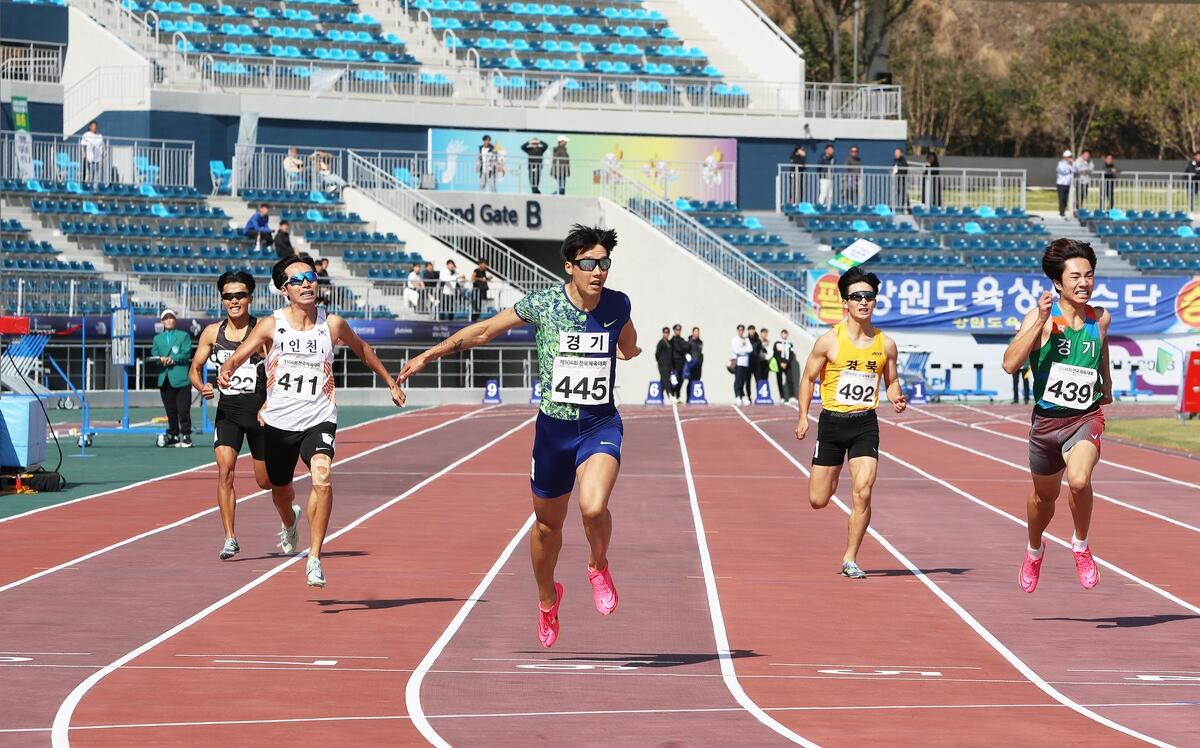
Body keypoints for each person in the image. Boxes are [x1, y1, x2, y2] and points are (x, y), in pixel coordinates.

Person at [398, 224, 640, 648]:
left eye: (603, 263)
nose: (598, 271)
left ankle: (597, 565)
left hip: (599, 423)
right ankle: (548, 599)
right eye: (588, 264)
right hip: (553, 431)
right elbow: (484, 331)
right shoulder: (543, 304)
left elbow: (627, 338)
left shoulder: (618, 303)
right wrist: (428, 354)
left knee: (593, 505)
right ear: (570, 267)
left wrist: (628, 350)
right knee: (547, 527)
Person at [217, 256, 405, 587]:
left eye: (310, 276)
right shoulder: (271, 325)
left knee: (322, 476)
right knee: (279, 491)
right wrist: (227, 368)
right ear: (283, 289)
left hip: (319, 416)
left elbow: (363, 350)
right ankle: (289, 523)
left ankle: (314, 556)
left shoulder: (332, 324)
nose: (306, 283)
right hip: (278, 423)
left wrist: (390, 381)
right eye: (298, 279)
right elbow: (238, 355)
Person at [1002, 238, 1112, 594]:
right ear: (1058, 282)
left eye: (1090, 275)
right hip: (1047, 424)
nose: (1084, 282)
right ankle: (1035, 549)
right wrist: (1040, 322)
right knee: (1043, 499)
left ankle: (1080, 544)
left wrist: (1106, 384)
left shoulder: (1100, 317)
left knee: (1079, 480)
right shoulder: (1041, 317)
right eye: (1076, 276)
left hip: (1085, 416)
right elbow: (1009, 364)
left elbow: (1102, 353)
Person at [794, 267, 907, 579]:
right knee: (818, 499)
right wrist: (803, 416)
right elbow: (807, 379)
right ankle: (829, 480)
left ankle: (850, 558)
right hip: (831, 423)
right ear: (845, 302)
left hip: (864, 424)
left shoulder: (885, 344)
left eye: (868, 296)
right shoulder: (828, 341)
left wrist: (897, 396)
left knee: (863, 491)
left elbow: (892, 381)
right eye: (856, 296)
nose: (863, 301)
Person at [188, 271, 273, 560]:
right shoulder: (212, 333)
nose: (234, 301)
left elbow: (278, 369)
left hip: (260, 413)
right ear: (222, 299)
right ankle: (230, 538)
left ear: (250, 297)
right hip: (229, 412)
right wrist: (202, 386)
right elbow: (194, 368)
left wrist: (268, 404)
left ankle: (288, 511)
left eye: (240, 295)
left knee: (266, 482)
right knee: (225, 470)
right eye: (228, 296)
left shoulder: (262, 329)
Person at [152, 309, 194, 448]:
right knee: (170, 410)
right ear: (162, 321)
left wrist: (173, 359)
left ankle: (186, 435)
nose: (168, 320)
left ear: (175, 320)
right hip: (165, 378)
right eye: (166, 318)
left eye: (171, 318)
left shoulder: (183, 336)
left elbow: (186, 353)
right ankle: (174, 434)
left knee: (183, 409)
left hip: (181, 378)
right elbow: (154, 354)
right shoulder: (157, 338)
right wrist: (160, 359)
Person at [773, 328, 798, 404]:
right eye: (783, 333)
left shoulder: (790, 344)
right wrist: (781, 362)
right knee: (779, 380)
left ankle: (792, 397)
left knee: (790, 380)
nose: (784, 335)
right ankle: (782, 397)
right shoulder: (777, 343)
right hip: (779, 364)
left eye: (785, 333)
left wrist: (787, 363)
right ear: (781, 334)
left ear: (787, 335)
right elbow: (775, 354)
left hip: (788, 364)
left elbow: (791, 354)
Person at [730, 324, 752, 405]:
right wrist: (744, 350)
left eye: (742, 330)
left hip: (745, 363)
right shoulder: (734, 339)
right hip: (738, 363)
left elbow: (750, 349)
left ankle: (742, 395)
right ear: (737, 330)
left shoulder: (746, 339)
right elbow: (736, 350)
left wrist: (742, 350)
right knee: (738, 380)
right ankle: (737, 395)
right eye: (739, 330)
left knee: (743, 380)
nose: (741, 331)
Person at [669, 323, 689, 403]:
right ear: (674, 330)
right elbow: (679, 349)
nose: (678, 331)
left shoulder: (682, 340)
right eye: (676, 330)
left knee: (681, 379)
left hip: (681, 362)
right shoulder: (672, 341)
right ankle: (673, 394)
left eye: (679, 330)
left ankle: (677, 394)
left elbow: (687, 347)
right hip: (674, 362)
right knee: (674, 379)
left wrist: (682, 348)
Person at [684, 326, 704, 401]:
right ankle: (688, 398)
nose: (697, 333)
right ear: (692, 333)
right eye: (695, 332)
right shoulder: (689, 342)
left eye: (698, 332)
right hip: (691, 365)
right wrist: (688, 357)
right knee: (690, 381)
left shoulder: (700, 342)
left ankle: (695, 397)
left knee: (697, 381)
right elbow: (686, 352)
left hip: (698, 366)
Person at [655, 327, 673, 402]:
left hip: (668, 365)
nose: (666, 334)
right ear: (663, 333)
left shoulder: (669, 342)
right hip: (662, 364)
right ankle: (670, 395)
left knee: (662, 381)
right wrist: (660, 361)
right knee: (666, 380)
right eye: (665, 332)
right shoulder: (661, 342)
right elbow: (657, 354)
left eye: (667, 332)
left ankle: (659, 397)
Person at [1056, 150, 1075, 217]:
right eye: (1068, 157)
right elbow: (1062, 171)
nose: (1069, 158)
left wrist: (1072, 164)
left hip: (1067, 184)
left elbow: (1075, 170)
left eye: (1070, 157)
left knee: (1065, 198)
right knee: (1062, 198)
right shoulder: (1060, 163)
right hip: (1061, 183)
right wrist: (1069, 170)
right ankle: (1061, 212)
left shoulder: (1071, 164)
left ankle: (1063, 210)